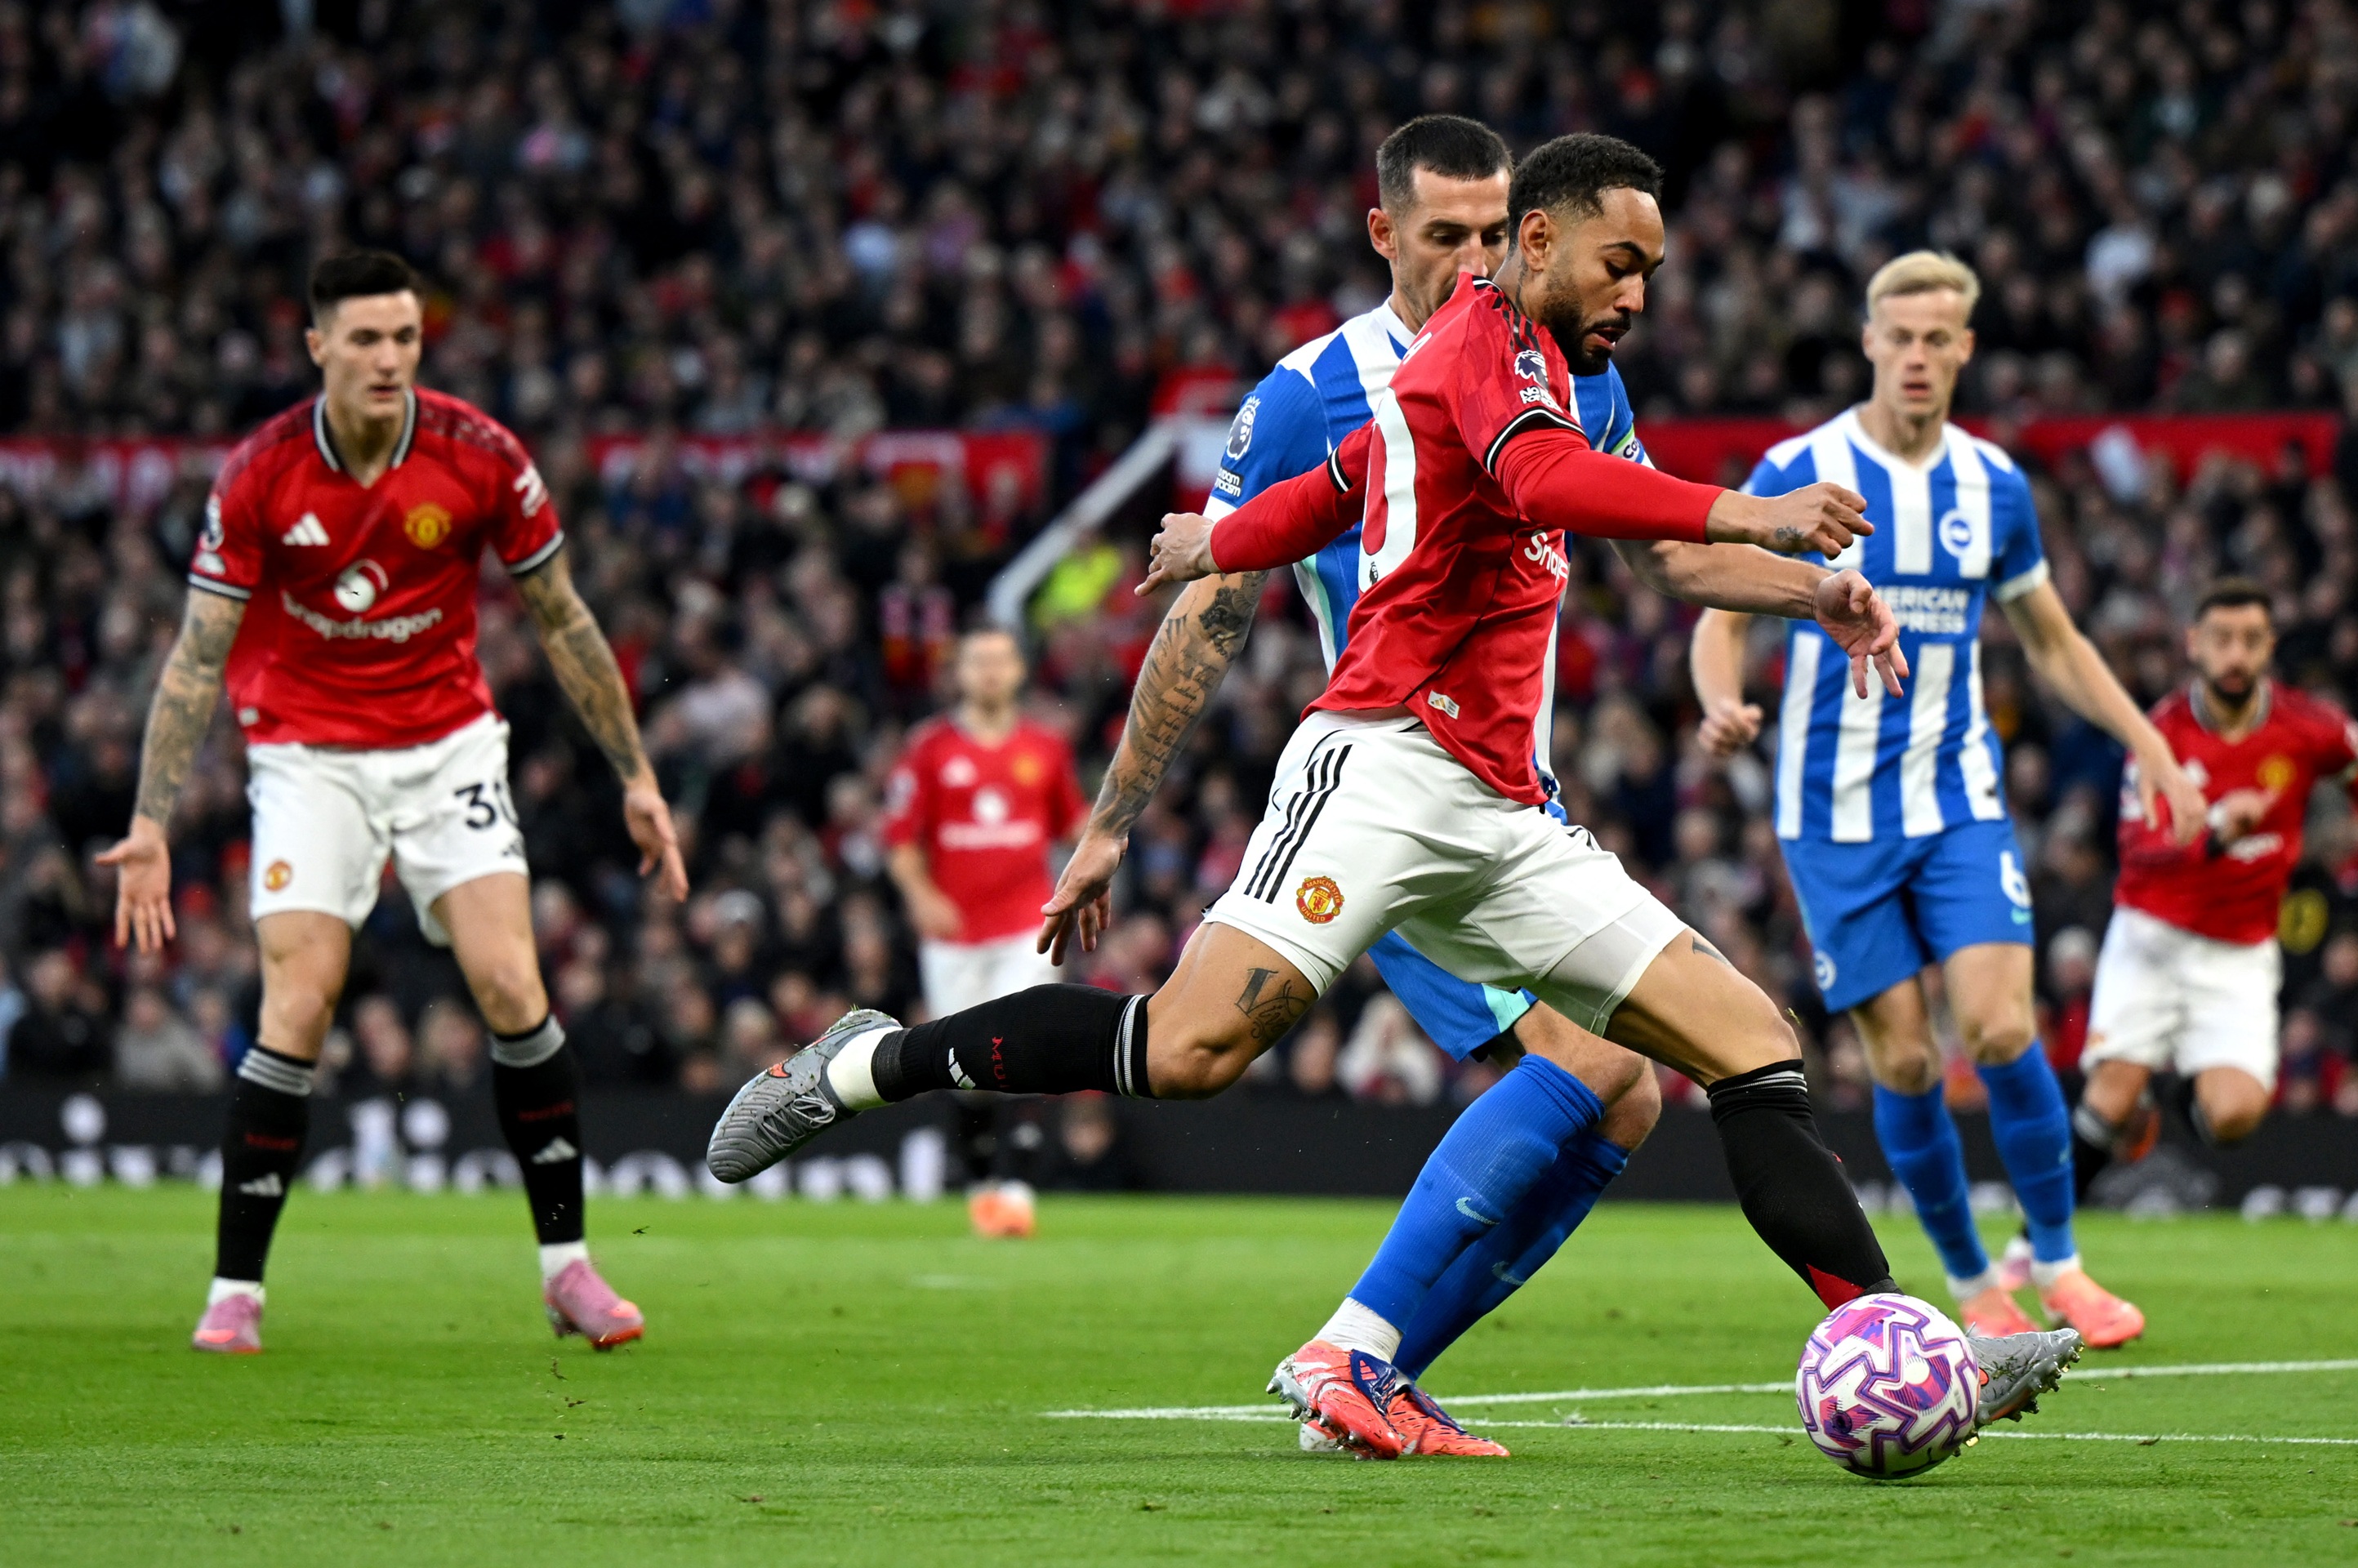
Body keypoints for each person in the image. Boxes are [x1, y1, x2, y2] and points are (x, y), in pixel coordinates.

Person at [710, 134, 2084, 1458]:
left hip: (1501, 807)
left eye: (1650, 271)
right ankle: (860, 1065)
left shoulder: (1531, 360)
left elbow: (1349, 485)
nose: (1639, 296)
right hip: (1376, 764)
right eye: (1619, 264)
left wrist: (1220, 532)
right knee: (1188, 1050)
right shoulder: (1479, 349)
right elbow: (1522, 476)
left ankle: (1909, 1349)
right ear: (1535, 244)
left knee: (1745, 1041)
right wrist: (1748, 511)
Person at [1034, 115, 1665, 1457]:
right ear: (1383, 234)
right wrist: (1111, 824)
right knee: (1588, 1063)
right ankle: (1356, 1351)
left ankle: (1368, 1368)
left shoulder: (1565, 367)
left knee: (1626, 1090)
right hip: (1397, 793)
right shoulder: (1312, 391)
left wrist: (1781, 592)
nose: (1476, 259)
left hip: (1512, 800)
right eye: (1445, 236)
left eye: (1495, 234)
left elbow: (1610, 559)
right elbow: (1209, 616)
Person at [96, 251, 691, 1356]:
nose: (387, 359)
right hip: (307, 755)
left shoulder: (480, 454)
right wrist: (150, 821)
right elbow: (193, 659)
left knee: (514, 982)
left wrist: (637, 777)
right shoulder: (262, 473)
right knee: (301, 1005)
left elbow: (562, 619)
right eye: (364, 339)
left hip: (446, 747)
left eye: (405, 338)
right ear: (316, 345)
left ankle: (568, 1272)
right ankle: (237, 1292)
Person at [1687, 250, 2210, 1351]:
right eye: (1901, 338)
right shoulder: (1805, 464)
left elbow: (2052, 640)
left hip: (1957, 799)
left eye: (1940, 339)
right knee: (1911, 1062)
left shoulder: (1993, 486)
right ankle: (1973, 1283)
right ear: (1870, 342)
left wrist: (2152, 745)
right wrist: (1721, 699)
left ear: (1965, 348)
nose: (1919, 357)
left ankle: (2060, 1262)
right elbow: (1720, 605)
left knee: (2004, 1027)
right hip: (1833, 818)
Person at [2063, 577, 2358, 1161]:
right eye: (2223, 639)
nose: (2236, 655)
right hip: (2152, 932)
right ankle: (2036, 1246)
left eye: (2251, 640)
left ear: (2270, 646)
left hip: (2240, 946)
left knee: (2233, 1118)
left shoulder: (2310, 728)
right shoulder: (2161, 735)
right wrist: (2214, 836)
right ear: (2194, 644)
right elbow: (2139, 848)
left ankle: (2176, 1090)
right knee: (2108, 1102)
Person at [882, 622, 1085, 1237]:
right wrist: (921, 896)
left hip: (1027, 925)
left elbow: (1072, 827)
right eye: (978, 661)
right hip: (954, 935)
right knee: (965, 1070)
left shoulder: (1046, 748)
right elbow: (899, 841)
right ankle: (980, 1187)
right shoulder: (930, 749)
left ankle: (1018, 1190)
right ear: (960, 673)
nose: (991, 672)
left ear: (1019, 671)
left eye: (1001, 660)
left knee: (1027, 1049)